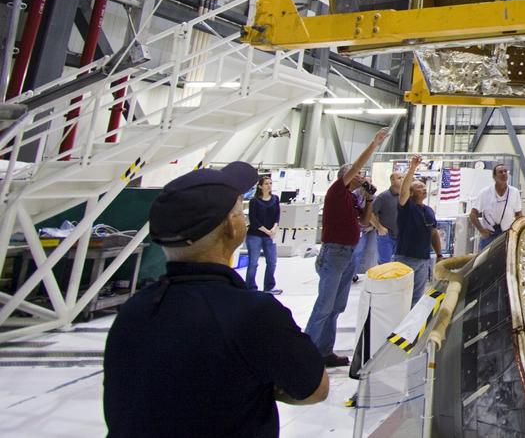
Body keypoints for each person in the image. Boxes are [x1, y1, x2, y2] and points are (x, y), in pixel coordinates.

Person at [104, 162, 328, 438]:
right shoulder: (254, 314)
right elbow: (315, 389)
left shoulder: (133, 311)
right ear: (231, 228)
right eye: (238, 210)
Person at [304, 127, 390, 367]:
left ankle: (324, 351)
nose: (362, 177)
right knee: (324, 305)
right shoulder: (336, 191)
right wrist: (374, 144)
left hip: (349, 253)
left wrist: (370, 198)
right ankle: (305, 355)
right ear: (347, 176)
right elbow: (354, 167)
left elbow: (364, 221)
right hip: (334, 253)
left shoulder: (352, 198)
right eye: (359, 174)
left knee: (336, 307)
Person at [395, 155, 445, 301]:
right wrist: (412, 168)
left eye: (424, 187)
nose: (423, 189)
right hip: (406, 257)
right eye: (418, 187)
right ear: (411, 192)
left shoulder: (428, 210)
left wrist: (439, 254)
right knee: (402, 297)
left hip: (424, 259)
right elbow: (403, 191)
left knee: (417, 297)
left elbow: (433, 233)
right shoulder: (407, 207)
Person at [469, 163, 523, 249]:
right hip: (489, 236)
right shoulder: (485, 193)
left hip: (507, 235)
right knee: (485, 261)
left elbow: (519, 214)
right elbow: (472, 214)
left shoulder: (514, 192)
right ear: (494, 176)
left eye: (505, 171)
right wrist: (481, 230)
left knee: (506, 261)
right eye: (500, 172)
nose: (504, 174)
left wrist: (516, 230)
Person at [245, 173, 282, 294]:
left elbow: (277, 216)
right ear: (260, 186)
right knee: (253, 263)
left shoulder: (275, 199)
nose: (269, 186)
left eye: (270, 183)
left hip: (270, 235)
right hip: (255, 235)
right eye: (266, 184)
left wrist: (274, 229)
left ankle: (269, 286)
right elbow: (254, 220)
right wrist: (267, 231)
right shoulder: (254, 201)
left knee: (272, 262)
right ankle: (250, 287)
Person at [352, 170, 381, 280]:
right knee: (357, 251)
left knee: (371, 252)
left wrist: (376, 226)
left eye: (369, 183)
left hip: (371, 229)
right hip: (360, 229)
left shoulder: (375, 197)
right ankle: (352, 273)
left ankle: (369, 272)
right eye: (365, 183)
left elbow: (378, 212)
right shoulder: (355, 196)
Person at [372, 171, 404, 264]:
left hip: (400, 236)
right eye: (399, 178)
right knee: (385, 263)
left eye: (403, 177)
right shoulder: (383, 197)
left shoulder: (405, 197)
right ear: (392, 180)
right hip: (386, 236)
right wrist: (379, 227)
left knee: (399, 262)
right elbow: (371, 214)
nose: (402, 180)